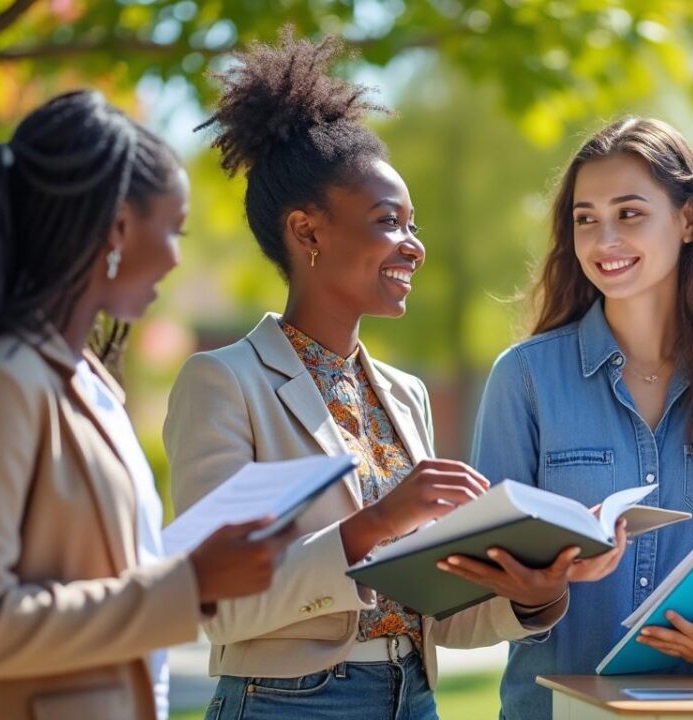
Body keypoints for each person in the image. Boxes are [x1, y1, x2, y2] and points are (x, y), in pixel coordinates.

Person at [164, 33, 573, 720]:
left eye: (413, 225)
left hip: (412, 697)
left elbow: (433, 617)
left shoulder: (405, 397)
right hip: (285, 704)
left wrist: (534, 596)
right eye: (389, 222)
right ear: (307, 232)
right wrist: (378, 522)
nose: (413, 246)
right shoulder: (223, 383)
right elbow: (218, 604)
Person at [0, 90, 289, 720]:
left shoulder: (89, 383)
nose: (179, 255)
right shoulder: (2, 386)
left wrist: (195, 571)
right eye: (175, 228)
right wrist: (190, 584)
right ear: (118, 227)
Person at [469, 117, 693, 719]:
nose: (604, 240)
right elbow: (485, 572)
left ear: (686, 221)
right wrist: (544, 584)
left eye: (629, 213)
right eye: (585, 218)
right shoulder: (524, 380)